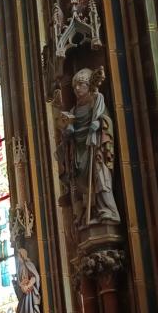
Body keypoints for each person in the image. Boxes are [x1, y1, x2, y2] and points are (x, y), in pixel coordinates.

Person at [56, 67, 120, 226]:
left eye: (81, 85)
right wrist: (68, 131)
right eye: (75, 86)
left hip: (94, 147)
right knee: (77, 184)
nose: (77, 89)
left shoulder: (96, 101)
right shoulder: (74, 110)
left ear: (88, 85)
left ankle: (109, 210)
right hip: (79, 151)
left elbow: (106, 120)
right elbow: (68, 131)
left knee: (100, 177)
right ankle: (85, 213)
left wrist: (99, 124)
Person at [13, 248, 42, 313]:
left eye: (18, 256)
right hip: (23, 295)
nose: (17, 258)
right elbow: (20, 284)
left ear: (22, 255)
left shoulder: (28, 264)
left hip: (29, 293)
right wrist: (18, 285)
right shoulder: (19, 267)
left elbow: (34, 277)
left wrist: (28, 286)